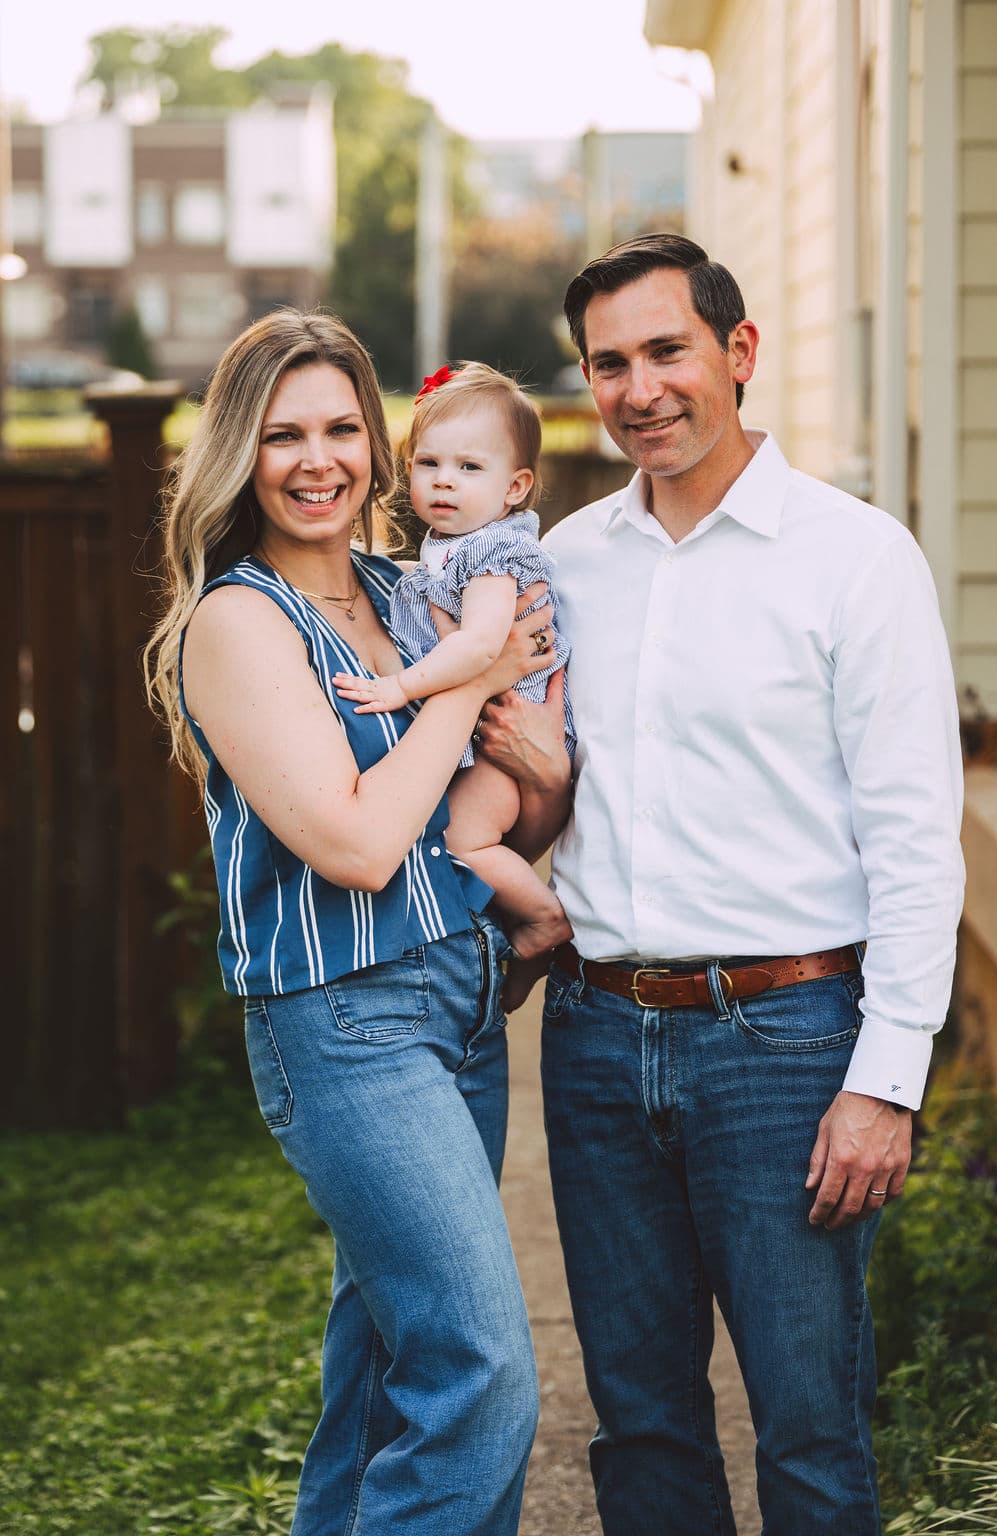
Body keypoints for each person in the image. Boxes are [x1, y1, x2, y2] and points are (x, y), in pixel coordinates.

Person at [484, 233, 965, 1535]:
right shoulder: (565, 566)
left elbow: (920, 841)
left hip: (787, 1046)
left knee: (808, 1425)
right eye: (608, 364)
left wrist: (886, 1081)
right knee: (640, 1426)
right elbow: (547, 793)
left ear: (737, 354)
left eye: (666, 351)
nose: (639, 389)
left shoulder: (856, 560)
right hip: (593, 1041)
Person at [143, 309, 561, 1536]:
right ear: (239, 452)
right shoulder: (240, 620)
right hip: (345, 1025)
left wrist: (522, 749)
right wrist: (477, 678)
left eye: (340, 428)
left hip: (460, 1003)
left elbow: (485, 806)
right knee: (480, 1374)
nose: (316, 459)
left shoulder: (412, 587)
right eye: (282, 435)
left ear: (380, 446)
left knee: (388, 1371)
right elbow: (362, 844)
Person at [332, 361, 573, 961]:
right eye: (429, 463)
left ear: (514, 488)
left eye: (469, 468)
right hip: (495, 730)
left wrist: (399, 687)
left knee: (463, 842)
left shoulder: (491, 552)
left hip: (505, 732)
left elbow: (481, 645)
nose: (444, 481)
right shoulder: (452, 547)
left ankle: (544, 918)